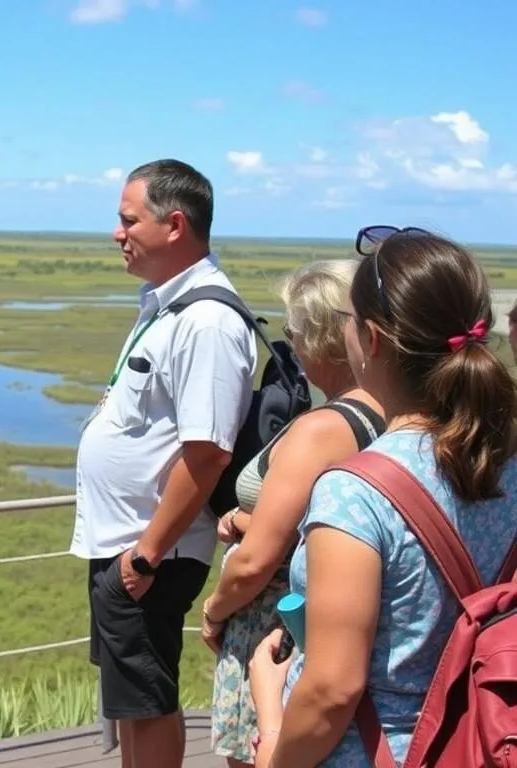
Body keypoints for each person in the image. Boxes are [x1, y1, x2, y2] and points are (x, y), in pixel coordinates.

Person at [247, 226, 517, 767]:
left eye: (347, 320)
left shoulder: (355, 494)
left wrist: (273, 733)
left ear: (370, 339)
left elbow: (331, 694)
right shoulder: (506, 460)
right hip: (481, 742)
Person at [69, 159, 257, 768]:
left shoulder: (207, 320)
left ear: (174, 224)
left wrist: (145, 555)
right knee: (139, 705)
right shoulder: (167, 307)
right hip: (134, 546)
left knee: (146, 704)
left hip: (151, 551)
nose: (116, 234)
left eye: (128, 221)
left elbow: (207, 452)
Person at [198, 260, 385, 767]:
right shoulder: (386, 414)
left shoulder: (321, 430)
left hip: (273, 629)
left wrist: (214, 611)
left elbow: (259, 558)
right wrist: (243, 520)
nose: (292, 345)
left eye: (292, 331)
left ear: (323, 336)